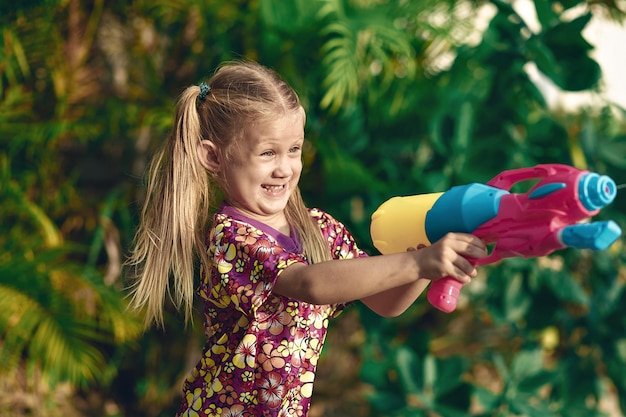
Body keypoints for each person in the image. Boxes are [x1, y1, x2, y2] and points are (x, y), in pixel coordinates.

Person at [126, 60, 487, 417]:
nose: (284, 168)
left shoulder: (319, 229)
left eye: (294, 150)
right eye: (268, 153)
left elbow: (386, 302)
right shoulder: (230, 236)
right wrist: (418, 262)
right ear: (213, 157)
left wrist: (430, 256)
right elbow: (309, 284)